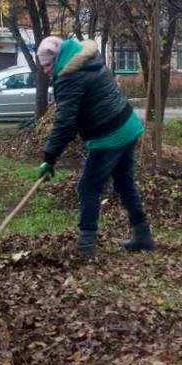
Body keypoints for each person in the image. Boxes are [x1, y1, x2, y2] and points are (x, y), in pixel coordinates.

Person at [37, 36, 153, 257]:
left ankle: (85, 248)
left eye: (46, 65)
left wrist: (49, 158)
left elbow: (65, 124)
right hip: (126, 124)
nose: (45, 71)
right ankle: (143, 236)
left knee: (88, 187)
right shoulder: (87, 58)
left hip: (110, 134)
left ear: (55, 60)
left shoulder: (69, 76)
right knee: (124, 183)